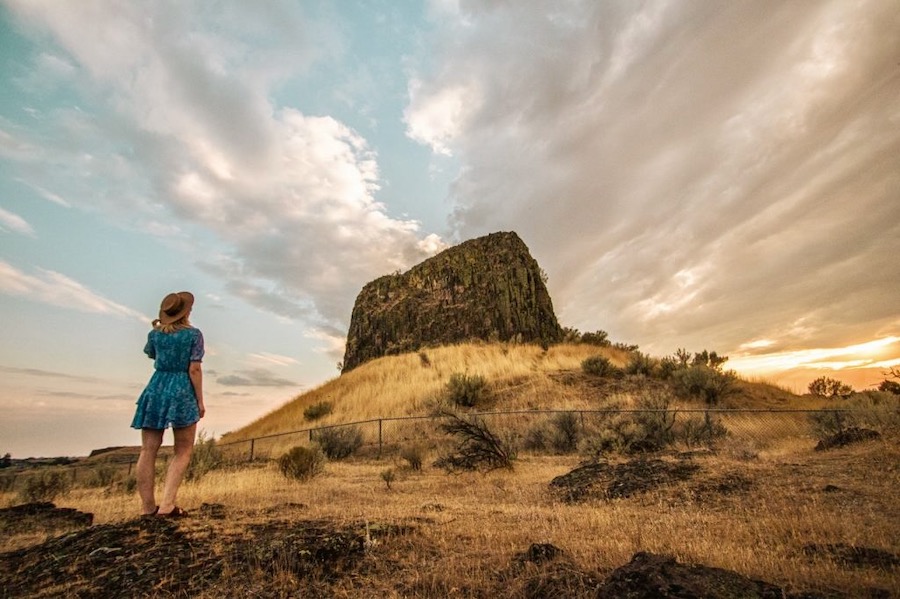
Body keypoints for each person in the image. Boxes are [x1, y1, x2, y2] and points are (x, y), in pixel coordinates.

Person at [131, 291, 206, 517]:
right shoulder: (194, 335)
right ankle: (167, 505)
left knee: (147, 449)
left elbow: (153, 357)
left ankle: (147, 508)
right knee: (182, 450)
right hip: (182, 388)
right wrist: (200, 400)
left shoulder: (154, 335)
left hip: (156, 387)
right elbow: (194, 368)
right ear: (186, 312)